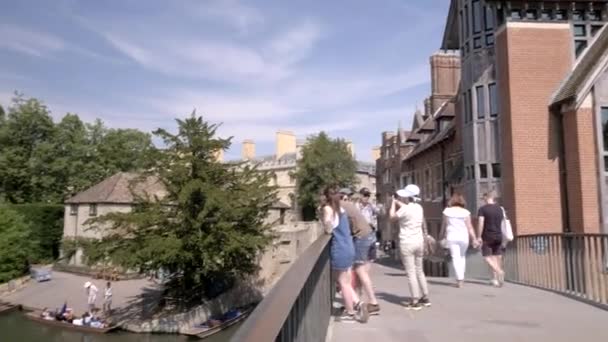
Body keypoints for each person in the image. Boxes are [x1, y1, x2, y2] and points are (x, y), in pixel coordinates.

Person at [323, 186, 369, 323]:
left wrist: (325, 221)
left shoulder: (328, 208)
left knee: (342, 283)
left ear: (325, 197)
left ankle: (350, 313)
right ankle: (358, 304)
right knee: (346, 282)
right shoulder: (341, 209)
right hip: (349, 247)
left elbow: (328, 228)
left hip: (339, 248)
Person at [338, 189, 380, 316]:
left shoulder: (340, 206)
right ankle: (358, 300)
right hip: (370, 235)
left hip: (362, 237)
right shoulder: (351, 205)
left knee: (359, 270)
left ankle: (372, 302)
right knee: (363, 272)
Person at [390, 184, 431, 310]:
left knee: (411, 273)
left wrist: (393, 203)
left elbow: (392, 217)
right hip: (419, 242)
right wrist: (398, 202)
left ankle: (415, 300)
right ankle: (425, 297)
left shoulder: (404, 210)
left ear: (407, 197)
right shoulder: (419, 207)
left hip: (407, 242)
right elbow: (407, 208)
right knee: (419, 270)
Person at [439, 193, 478, 288]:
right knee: (462, 257)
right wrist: (474, 239)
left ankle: (459, 280)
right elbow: (470, 227)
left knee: (455, 258)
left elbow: (444, 225)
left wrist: (440, 236)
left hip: (452, 237)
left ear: (452, 201)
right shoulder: (466, 212)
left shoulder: (447, 211)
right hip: (464, 237)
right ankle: (462, 277)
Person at [476, 191, 506, 287]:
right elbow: (502, 223)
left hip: (487, 236)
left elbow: (481, 223)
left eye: (483, 199)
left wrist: (479, 236)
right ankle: (495, 279)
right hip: (498, 235)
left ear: (486, 198)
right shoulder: (500, 209)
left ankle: (499, 271)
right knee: (496, 256)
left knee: (487, 256)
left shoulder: (483, 209)